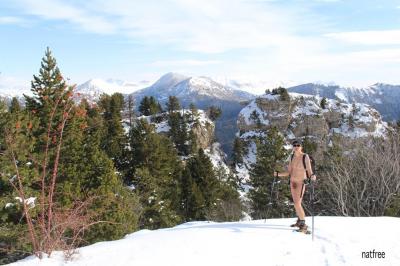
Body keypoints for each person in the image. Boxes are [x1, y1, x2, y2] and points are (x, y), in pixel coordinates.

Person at [274, 140, 316, 232]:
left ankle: (303, 224)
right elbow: (289, 172)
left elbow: (309, 170)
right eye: (294, 145)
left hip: (301, 182)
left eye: (298, 145)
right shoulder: (292, 157)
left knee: (297, 203)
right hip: (292, 183)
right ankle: (299, 220)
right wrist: (278, 174)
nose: (296, 147)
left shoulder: (305, 157)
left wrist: (312, 176)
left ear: (301, 147)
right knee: (296, 203)